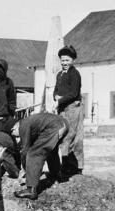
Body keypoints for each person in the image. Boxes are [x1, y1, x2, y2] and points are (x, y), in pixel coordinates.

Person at [11, 113, 69, 200]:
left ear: (14, 128)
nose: (18, 137)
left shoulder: (22, 125)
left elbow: (25, 151)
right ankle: (55, 174)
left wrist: (24, 170)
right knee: (51, 150)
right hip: (64, 124)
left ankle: (31, 189)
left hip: (55, 127)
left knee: (34, 153)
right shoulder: (31, 122)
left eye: (16, 135)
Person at [54, 45, 83, 177]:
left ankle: (75, 167)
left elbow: (73, 93)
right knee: (63, 136)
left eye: (67, 60)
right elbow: (56, 90)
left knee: (72, 137)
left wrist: (59, 100)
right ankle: (66, 166)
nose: (64, 63)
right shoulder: (59, 74)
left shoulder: (75, 74)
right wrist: (55, 96)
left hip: (72, 108)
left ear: (73, 60)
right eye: (62, 60)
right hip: (62, 109)